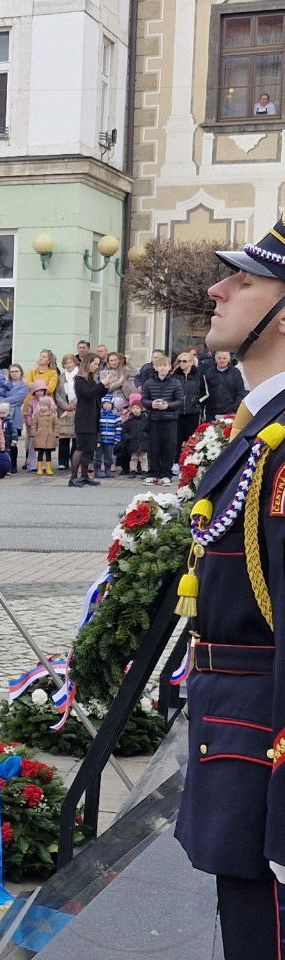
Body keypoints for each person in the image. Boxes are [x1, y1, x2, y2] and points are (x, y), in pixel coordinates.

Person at [171, 218, 285, 960]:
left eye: (243, 279)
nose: (217, 288)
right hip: (235, 743)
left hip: (266, 765)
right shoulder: (262, 427)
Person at [140, 354, 183, 485]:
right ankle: (152, 473)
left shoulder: (175, 382)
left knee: (169, 447)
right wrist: (152, 404)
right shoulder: (149, 383)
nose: (162, 368)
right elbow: (144, 399)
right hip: (153, 419)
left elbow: (180, 400)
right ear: (155, 367)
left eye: (165, 365)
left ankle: (166, 474)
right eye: (160, 366)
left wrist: (168, 405)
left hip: (170, 420)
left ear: (170, 367)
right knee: (153, 448)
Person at [69, 355, 108, 487]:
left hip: (93, 417)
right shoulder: (79, 379)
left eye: (97, 364)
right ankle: (73, 477)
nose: (96, 366)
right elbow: (88, 394)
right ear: (88, 363)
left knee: (90, 449)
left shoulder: (90, 379)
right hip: (84, 418)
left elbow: (97, 394)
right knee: (81, 448)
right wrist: (101, 384)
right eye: (95, 364)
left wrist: (105, 386)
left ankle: (85, 476)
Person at [174, 351, 207, 444]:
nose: (181, 363)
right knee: (177, 440)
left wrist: (196, 402)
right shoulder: (174, 376)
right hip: (178, 413)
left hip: (193, 413)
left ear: (191, 362)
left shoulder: (199, 376)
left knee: (192, 439)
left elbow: (206, 393)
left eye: (184, 361)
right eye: (179, 361)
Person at [205, 349, 248, 418]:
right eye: (219, 358)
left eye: (224, 358)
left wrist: (234, 407)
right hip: (212, 412)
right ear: (215, 360)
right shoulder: (208, 372)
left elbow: (240, 391)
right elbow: (204, 392)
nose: (222, 360)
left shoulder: (235, 372)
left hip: (230, 412)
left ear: (228, 359)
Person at [31, 394, 58, 475]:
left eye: (45, 406)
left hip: (50, 436)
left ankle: (48, 468)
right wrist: (34, 433)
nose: (42, 407)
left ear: (49, 406)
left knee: (48, 453)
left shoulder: (53, 415)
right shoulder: (37, 415)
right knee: (40, 453)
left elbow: (56, 425)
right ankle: (39, 468)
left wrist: (55, 434)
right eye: (41, 405)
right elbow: (34, 425)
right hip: (39, 436)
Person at [120, 397, 148, 477]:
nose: (135, 410)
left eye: (137, 408)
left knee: (143, 458)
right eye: (133, 408)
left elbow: (149, 430)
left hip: (143, 442)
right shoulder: (129, 421)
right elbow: (124, 431)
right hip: (132, 443)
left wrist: (146, 437)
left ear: (141, 409)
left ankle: (144, 470)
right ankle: (133, 470)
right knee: (134, 458)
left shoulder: (145, 421)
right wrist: (128, 437)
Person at [95, 396, 121, 478]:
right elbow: (95, 427)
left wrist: (117, 438)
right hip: (100, 440)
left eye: (108, 403)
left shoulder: (116, 415)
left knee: (109, 456)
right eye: (104, 403)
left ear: (112, 404)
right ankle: (97, 470)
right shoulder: (99, 414)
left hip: (110, 440)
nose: (106, 405)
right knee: (98, 455)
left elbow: (119, 428)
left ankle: (107, 470)